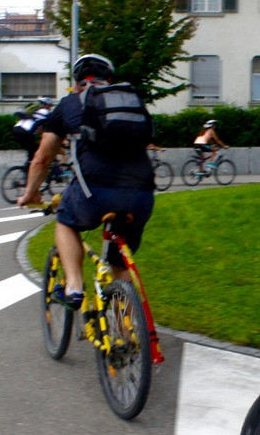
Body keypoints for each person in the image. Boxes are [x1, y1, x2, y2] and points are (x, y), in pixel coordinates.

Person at [17, 53, 155, 310]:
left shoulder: (69, 103)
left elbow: (41, 158)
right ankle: (128, 340)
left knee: (66, 222)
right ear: (109, 80)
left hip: (94, 192)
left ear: (77, 80)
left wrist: (30, 194)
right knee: (119, 264)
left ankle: (74, 287)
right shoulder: (129, 104)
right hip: (142, 194)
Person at [12, 97, 54, 168]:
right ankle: (30, 171)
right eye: (50, 106)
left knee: (32, 150)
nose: (50, 108)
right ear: (46, 105)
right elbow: (54, 123)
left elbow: (40, 129)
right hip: (25, 132)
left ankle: (27, 168)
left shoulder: (34, 112)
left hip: (16, 129)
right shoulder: (44, 111)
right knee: (36, 151)